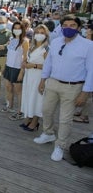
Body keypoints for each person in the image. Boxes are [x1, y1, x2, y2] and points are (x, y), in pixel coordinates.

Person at [34, 15, 93, 162]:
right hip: (53, 83)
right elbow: (48, 62)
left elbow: (91, 70)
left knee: (65, 119)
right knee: (46, 110)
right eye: (65, 25)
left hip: (73, 87)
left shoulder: (88, 46)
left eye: (72, 25)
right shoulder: (55, 42)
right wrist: (43, 80)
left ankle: (60, 145)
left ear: (79, 28)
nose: (68, 28)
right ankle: (48, 133)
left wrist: (85, 92)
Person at [20, 24, 50, 131]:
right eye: (37, 32)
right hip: (29, 76)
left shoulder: (46, 48)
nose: (39, 35)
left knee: (37, 99)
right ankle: (28, 117)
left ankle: (35, 121)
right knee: (29, 97)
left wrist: (33, 65)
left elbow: (48, 67)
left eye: (42, 33)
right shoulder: (32, 46)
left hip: (39, 77)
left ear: (46, 35)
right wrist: (25, 63)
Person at [1, 21, 29, 120]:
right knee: (8, 87)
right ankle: (10, 106)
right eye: (15, 28)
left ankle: (20, 112)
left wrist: (22, 71)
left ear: (22, 29)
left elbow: (25, 58)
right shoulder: (11, 39)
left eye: (19, 28)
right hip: (9, 66)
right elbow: (8, 55)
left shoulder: (25, 41)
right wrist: (4, 67)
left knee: (18, 91)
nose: (17, 30)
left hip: (17, 68)